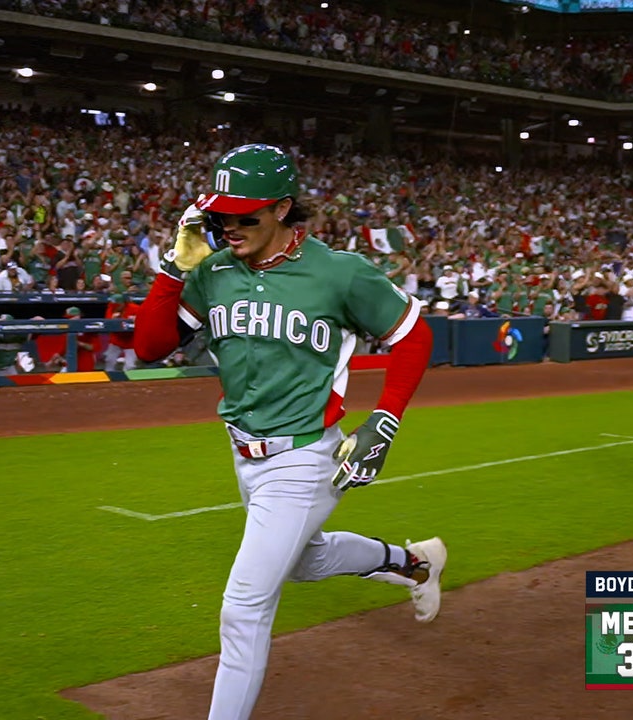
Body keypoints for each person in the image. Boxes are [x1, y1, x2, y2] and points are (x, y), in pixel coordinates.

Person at [133, 144, 443, 720]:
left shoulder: (337, 272)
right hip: (244, 453)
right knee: (304, 561)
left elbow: (413, 336)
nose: (229, 227)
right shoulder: (214, 271)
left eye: (245, 216)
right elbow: (150, 347)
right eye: (221, 215)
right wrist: (175, 270)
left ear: (282, 209)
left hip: (306, 456)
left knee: (244, 607)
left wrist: (385, 417)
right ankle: (411, 563)